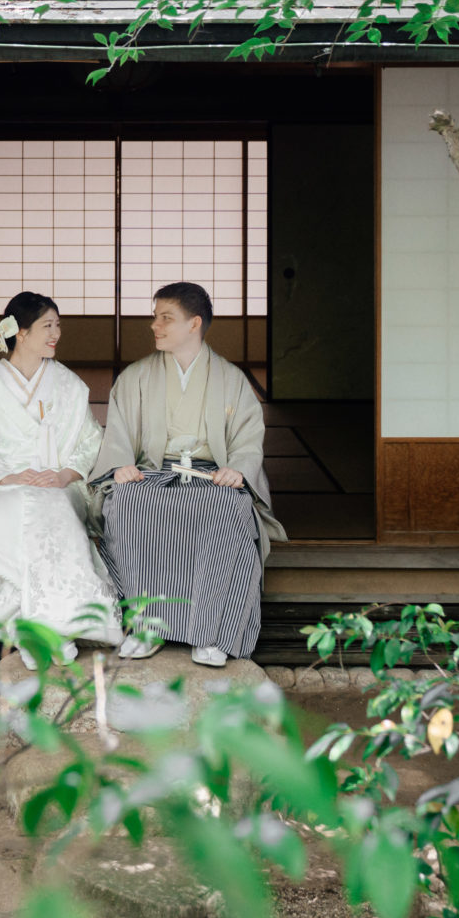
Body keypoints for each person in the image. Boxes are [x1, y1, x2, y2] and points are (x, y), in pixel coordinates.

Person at [89, 282, 284, 667]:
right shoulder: (136, 377)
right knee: (125, 506)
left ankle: (211, 633)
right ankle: (146, 626)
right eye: (155, 316)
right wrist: (121, 465)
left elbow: (248, 439)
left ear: (194, 323)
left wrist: (238, 471)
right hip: (152, 474)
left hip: (212, 477)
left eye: (166, 318)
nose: (154, 325)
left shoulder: (230, 379)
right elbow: (118, 434)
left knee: (228, 511)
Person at [0, 291, 122, 669]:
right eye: (47, 326)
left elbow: (90, 441)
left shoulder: (68, 384)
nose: (56, 334)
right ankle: (28, 629)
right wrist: (6, 475)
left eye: (58, 326)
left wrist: (65, 474)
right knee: (7, 515)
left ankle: (46, 628)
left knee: (50, 508)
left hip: (57, 483)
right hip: (2, 486)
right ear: (20, 333)